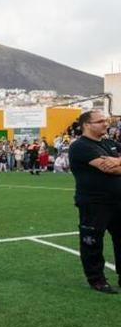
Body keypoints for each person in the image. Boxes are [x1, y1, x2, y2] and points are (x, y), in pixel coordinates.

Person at [68, 109, 121, 294]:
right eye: (100, 121)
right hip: (94, 202)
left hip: (117, 200)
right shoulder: (80, 146)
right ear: (86, 125)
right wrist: (116, 164)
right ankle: (96, 279)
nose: (106, 124)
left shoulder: (110, 143)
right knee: (92, 242)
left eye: (106, 121)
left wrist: (117, 161)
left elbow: (114, 166)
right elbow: (108, 169)